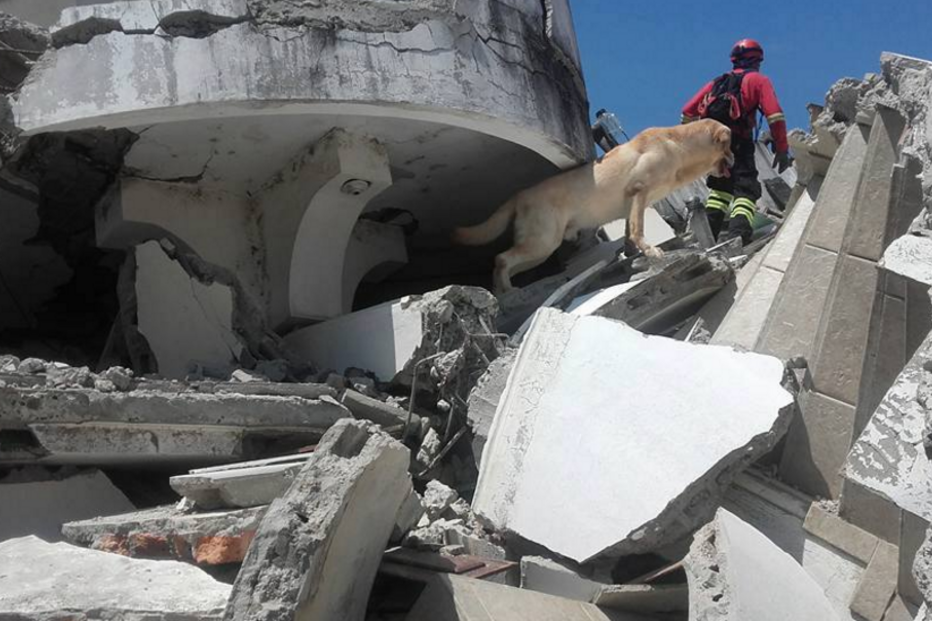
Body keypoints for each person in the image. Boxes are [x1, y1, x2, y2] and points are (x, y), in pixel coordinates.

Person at [681, 38, 791, 244]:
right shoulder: (758, 81)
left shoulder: (717, 83)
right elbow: (775, 116)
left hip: (714, 147)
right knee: (746, 191)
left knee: (720, 191)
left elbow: (688, 111)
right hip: (739, 143)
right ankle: (737, 237)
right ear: (757, 60)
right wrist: (782, 148)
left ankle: (707, 238)